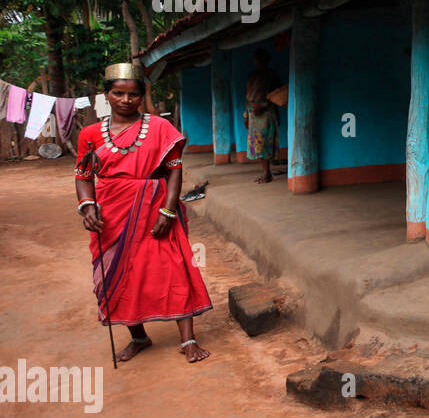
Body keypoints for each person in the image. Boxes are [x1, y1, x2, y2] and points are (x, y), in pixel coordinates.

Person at [74, 63, 212, 364]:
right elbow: (83, 176)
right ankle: (138, 337)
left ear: (142, 96)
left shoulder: (161, 128)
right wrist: (87, 206)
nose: (126, 100)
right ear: (106, 95)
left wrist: (168, 209)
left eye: (133, 94)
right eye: (118, 93)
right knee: (113, 275)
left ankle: (188, 340)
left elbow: (175, 172)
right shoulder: (89, 134)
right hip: (110, 213)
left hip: (155, 207)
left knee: (174, 267)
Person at [244, 48, 281, 184]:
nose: (259, 61)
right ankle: (266, 172)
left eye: (261, 58)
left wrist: (264, 105)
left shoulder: (272, 75)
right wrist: (246, 115)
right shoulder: (252, 76)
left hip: (267, 113)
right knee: (258, 145)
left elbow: (278, 93)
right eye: (257, 58)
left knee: (266, 143)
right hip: (253, 114)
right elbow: (247, 98)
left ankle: (267, 173)